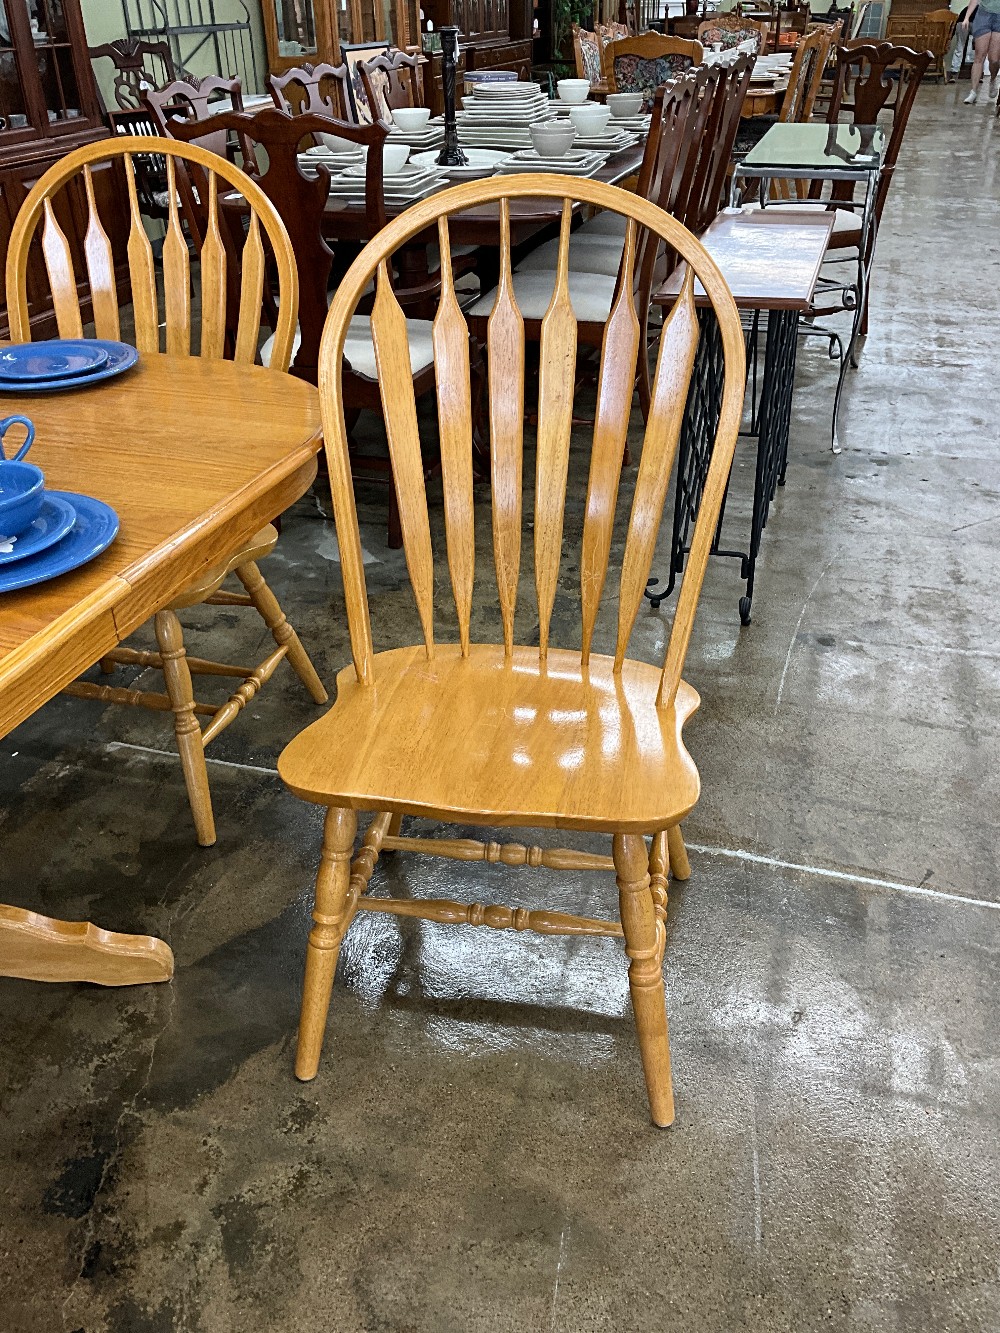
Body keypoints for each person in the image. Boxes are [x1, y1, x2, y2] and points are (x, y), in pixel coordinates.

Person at [963, 0, 1000, 102]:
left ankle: (993, 80)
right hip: (983, 16)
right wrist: (966, 17)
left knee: (994, 59)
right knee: (979, 55)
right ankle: (973, 91)